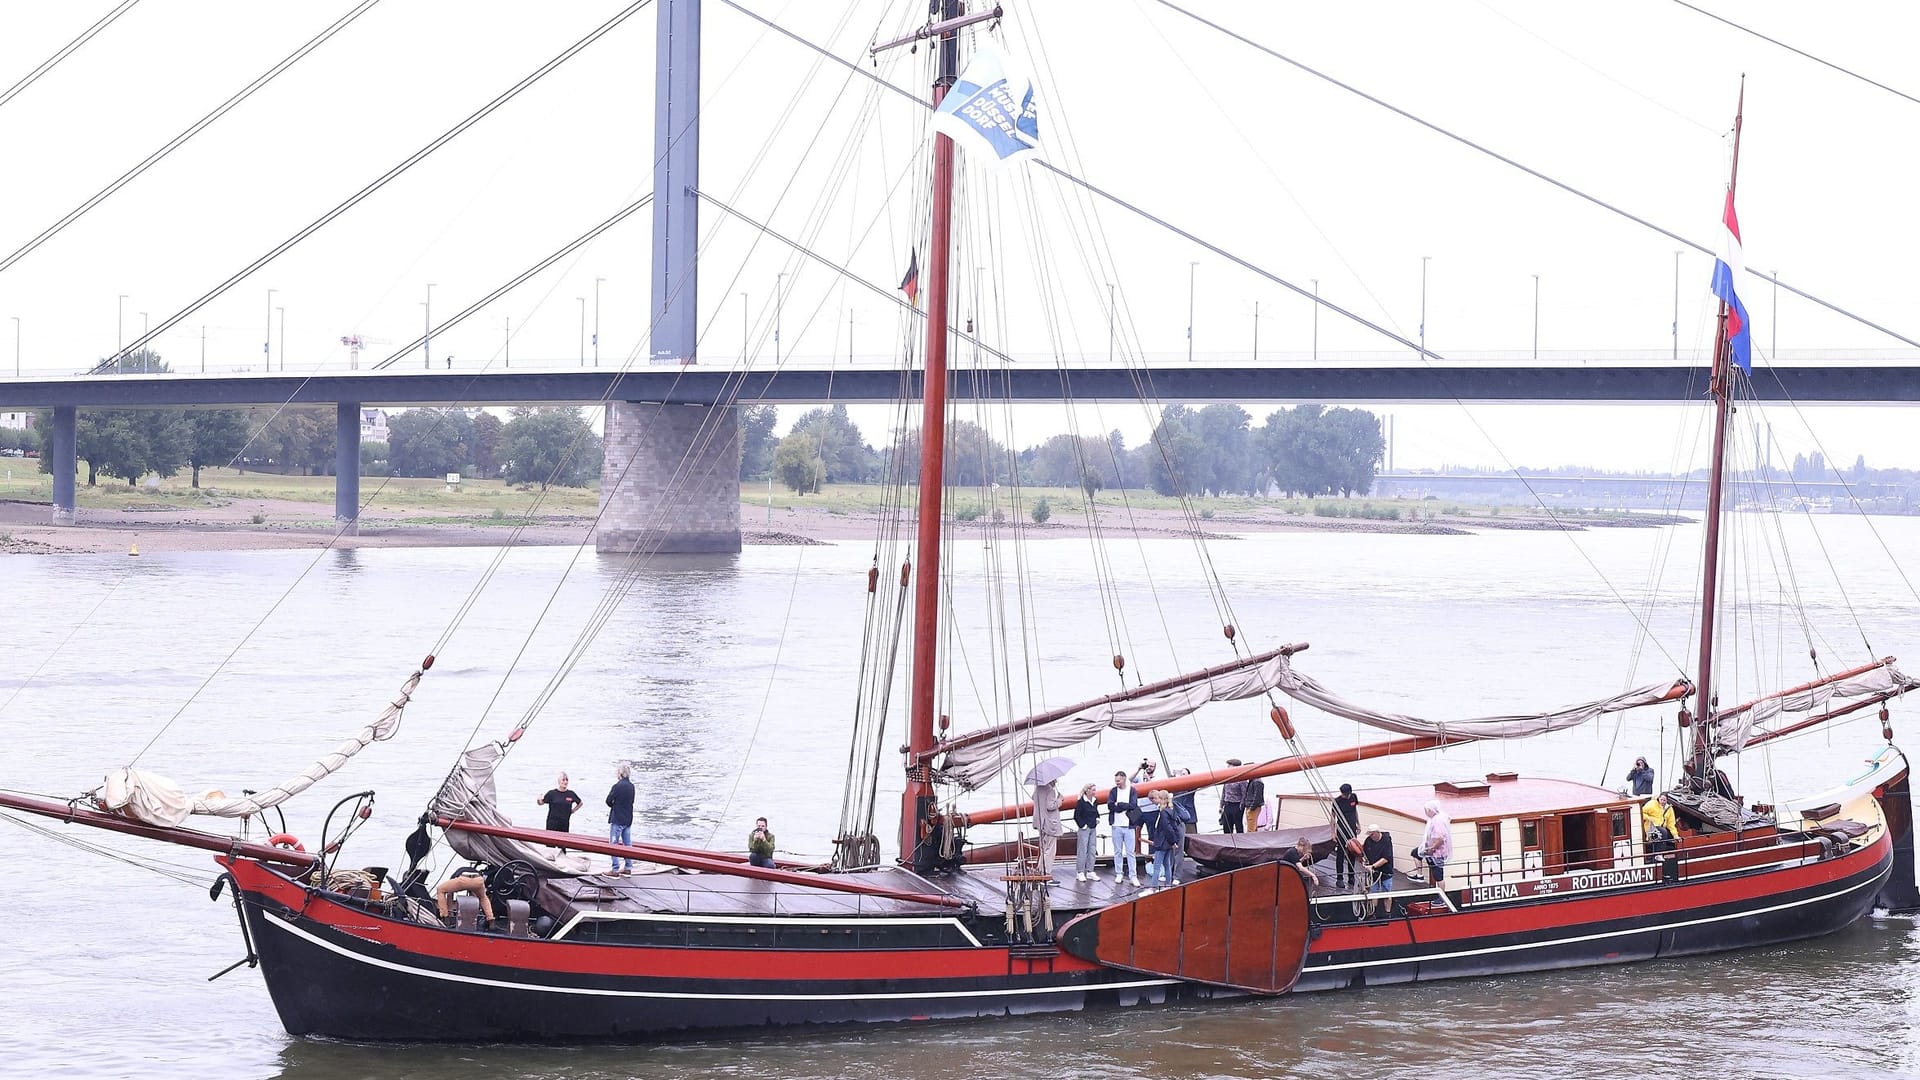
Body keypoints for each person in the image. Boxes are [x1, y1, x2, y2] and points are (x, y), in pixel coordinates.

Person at [1147, 790, 1189, 889]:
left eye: (1153, 801)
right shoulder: (1165, 808)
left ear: (1158, 798)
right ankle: (1169, 878)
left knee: (1178, 852)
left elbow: (1168, 826)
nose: (1154, 803)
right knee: (1168, 859)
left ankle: (1176, 876)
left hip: (1177, 828)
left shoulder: (1167, 809)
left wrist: (1173, 840)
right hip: (1171, 831)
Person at [1108, 770, 1142, 887]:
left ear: (1124, 778)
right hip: (1116, 825)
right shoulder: (1113, 791)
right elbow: (1110, 805)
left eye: (1118, 780)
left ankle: (1133, 876)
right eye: (1115, 781)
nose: (1117, 783)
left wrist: (1120, 805)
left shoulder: (1132, 790)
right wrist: (1122, 806)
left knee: (1130, 852)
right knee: (1117, 851)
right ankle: (1119, 873)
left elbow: (1133, 805)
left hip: (1129, 825)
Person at [606, 764, 635, 876]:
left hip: (617, 818)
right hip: (628, 818)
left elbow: (608, 800)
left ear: (620, 773)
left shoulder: (617, 786)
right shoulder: (632, 786)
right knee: (627, 844)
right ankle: (628, 867)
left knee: (613, 844)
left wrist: (614, 805)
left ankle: (615, 869)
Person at [1415, 801, 1453, 885]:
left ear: (1430, 810)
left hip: (1437, 853)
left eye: (1426, 810)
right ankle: (1419, 875)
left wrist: (1432, 848)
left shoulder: (1437, 821)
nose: (1425, 813)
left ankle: (1441, 896)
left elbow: (1440, 838)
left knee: (1438, 876)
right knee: (1416, 853)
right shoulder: (1438, 818)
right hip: (1432, 850)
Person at [1361, 824, 1395, 917]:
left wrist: (1373, 866)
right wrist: (1364, 862)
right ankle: (1373, 913)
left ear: (1377, 833)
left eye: (1372, 834)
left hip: (1385, 870)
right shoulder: (1368, 841)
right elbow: (1364, 854)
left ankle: (1388, 913)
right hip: (1373, 872)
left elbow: (1386, 858)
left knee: (1387, 892)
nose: (1370, 836)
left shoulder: (1386, 841)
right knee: (1373, 892)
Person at [1033, 779, 1064, 877]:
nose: (1056, 782)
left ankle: (1040, 869)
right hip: (1050, 824)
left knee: (1043, 848)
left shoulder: (1038, 788)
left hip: (1040, 822)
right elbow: (1050, 806)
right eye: (1055, 780)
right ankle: (1046, 873)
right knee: (1050, 850)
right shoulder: (1050, 790)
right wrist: (1059, 800)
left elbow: (1033, 798)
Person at [1332, 783, 1361, 888]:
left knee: (1352, 852)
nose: (1344, 796)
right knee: (1340, 853)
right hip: (1341, 829)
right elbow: (1333, 817)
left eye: (1346, 794)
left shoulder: (1353, 797)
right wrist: (1333, 832)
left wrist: (1358, 824)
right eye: (1343, 794)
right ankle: (1339, 878)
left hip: (1352, 828)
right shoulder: (1337, 801)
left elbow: (1355, 811)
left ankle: (1351, 877)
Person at [1073, 783, 1101, 882]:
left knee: (1092, 849)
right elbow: (1076, 815)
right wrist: (1082, 825)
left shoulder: (1095, 801)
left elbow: (1096, 811)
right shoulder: (1081, 802)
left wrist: (1098, 818)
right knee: (1082, 850)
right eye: (1093, 790)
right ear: (1087, 791)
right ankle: (1080, 871)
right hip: (1085, 828)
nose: (1095, 792)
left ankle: (1090, 871)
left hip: (1093, 827)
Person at [1219, 759, 1247, 833]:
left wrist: (1241, 806)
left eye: (1229, 765)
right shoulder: (1227, 777)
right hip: (1227, 804)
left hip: (1237, 805)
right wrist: (1221, 805)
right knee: (1226, 825)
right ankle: (1227, 841)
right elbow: (1224, 792)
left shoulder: (1242, 779)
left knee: (1238, 825)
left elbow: (1244, 794)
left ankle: (1239, 841)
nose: (1228, 767)